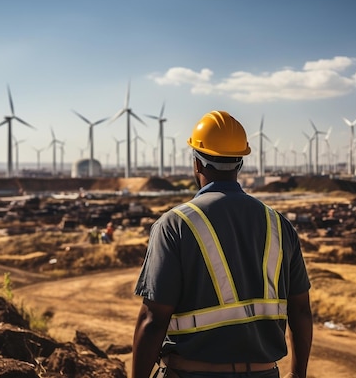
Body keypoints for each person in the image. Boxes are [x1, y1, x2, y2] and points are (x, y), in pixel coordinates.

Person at [132, 111, 313, 378]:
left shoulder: (175, 224)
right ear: (240, 163)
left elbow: (153, 319)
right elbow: (300, 309)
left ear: (197, 164)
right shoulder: (279, 224)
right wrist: (298, 375)